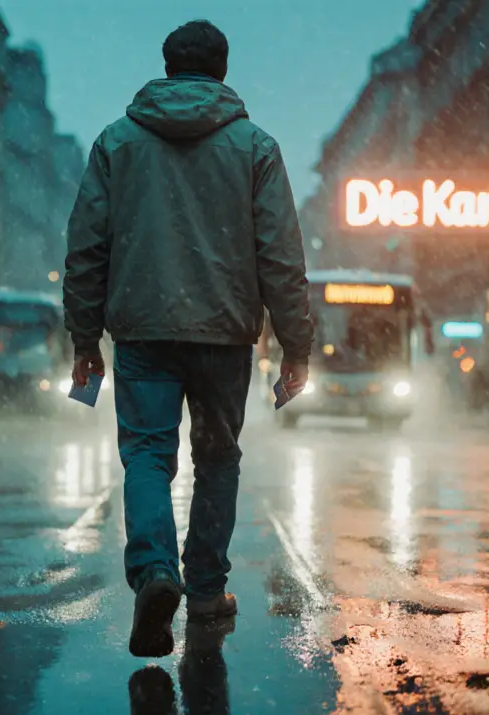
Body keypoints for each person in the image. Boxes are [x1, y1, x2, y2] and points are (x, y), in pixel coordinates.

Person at [63, 19, 313, 657]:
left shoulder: (117, 143)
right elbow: (280, 256)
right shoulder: (255, 148)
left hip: (142, 329)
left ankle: (155, 572)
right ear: (223, 71)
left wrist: (84, 336)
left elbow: (87, 246)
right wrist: (296, 344)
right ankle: (204, 591)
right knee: (217, 457)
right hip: (225, 334)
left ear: (167, 67)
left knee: (148, 455)